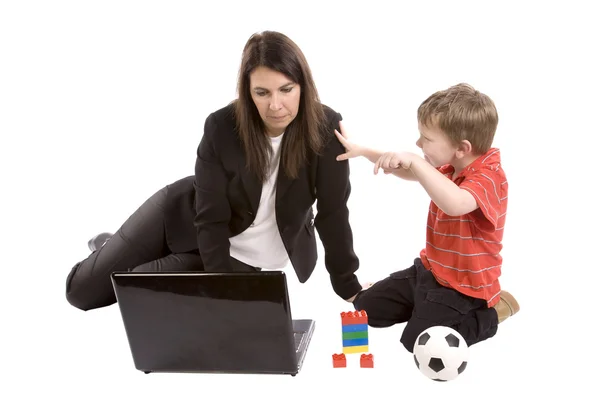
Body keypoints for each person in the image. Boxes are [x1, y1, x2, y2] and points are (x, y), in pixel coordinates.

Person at [65, 31, 366, 311]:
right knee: (80, 293)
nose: (276, 105)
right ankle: (109, 248)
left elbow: (333, 213)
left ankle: (113, 250)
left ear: (303, 85)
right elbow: (210, 218)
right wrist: (222, 288)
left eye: (286, 89)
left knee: (136, 287)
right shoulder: (222, 126)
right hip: (181, 216)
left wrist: (348, 286)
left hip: (235, 257)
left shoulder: (326, 128)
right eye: (262, 93)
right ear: (248, 92)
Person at [334, 83, 520, 352]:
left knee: (419, 345)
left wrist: (416, 161)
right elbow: (410, 171)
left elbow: (456, 202)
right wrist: (364, 151)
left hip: (463, 289)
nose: (418, 143)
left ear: (462, 147)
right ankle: (427, 310)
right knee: (364, 308)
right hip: (431, 270)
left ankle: (492, 314)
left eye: (426, 139)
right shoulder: (451, 165)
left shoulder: (489, 177)